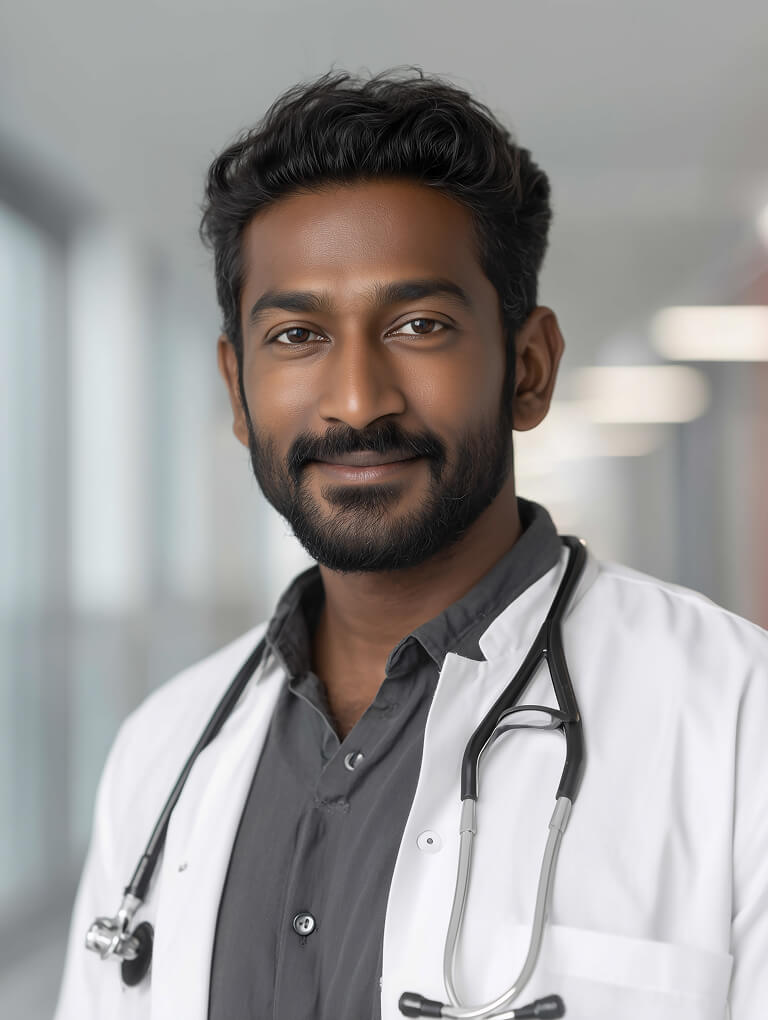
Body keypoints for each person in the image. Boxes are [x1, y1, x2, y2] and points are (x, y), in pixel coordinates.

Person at [54, 66, 767, 1020]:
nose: (356, 400)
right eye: (298, 335)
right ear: (236, 389)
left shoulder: (738, 725)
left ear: (528, 368)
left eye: (418, 325)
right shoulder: (163, 750)